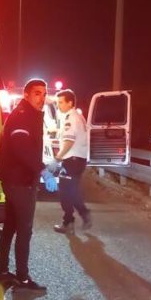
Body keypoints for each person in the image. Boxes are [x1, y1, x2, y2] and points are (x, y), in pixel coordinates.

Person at [0, 79, 56, 291]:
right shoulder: (23, 116)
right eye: (37, 93)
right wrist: (42, 170)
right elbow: (21, 148)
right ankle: (22, 277)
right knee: (24, 230)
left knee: (11, 226)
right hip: (20, 181)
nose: (42, 98)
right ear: (26, 95)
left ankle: (2, 271)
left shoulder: (27, 114)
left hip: (15, 179)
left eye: (44, 94)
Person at [52, 89, 91, 233]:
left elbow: (69, 141)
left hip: (71, 160)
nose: (58, 105)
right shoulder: (78, 116)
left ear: (70, 103)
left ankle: (71, 220)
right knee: (71, 190)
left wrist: (58, 157)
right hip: (79, 159)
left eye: (61, 102)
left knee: (65, 192)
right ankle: (78, 217)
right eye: (57, 102)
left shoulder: (70, 118)